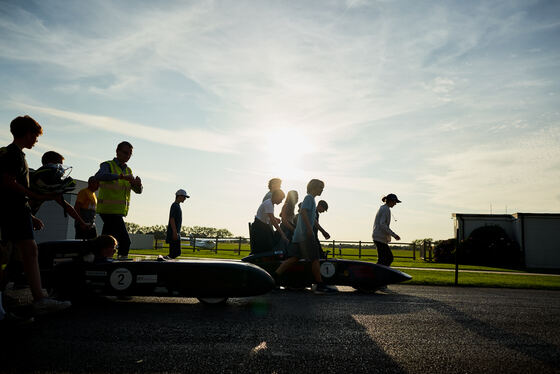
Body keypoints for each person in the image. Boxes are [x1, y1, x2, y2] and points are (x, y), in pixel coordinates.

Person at [0, 115, 71, 314]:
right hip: (13, 210)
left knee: (28, 252)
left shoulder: (13, 153)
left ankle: (39, 297)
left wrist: (30, 215)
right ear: (28, 133)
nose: (36, 140)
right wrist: (35, 194)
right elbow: (7, 182)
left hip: (16, 210)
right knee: (20, 253)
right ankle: (39, 298)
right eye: (35, 136)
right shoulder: (13, 154)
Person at [275, 179, 336, 294]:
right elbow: (303, 212)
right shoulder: (309, 198)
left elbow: (312, 219)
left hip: (300, 235)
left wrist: (322, 231)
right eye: (320, 187)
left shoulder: (311, 199)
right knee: (315, 258)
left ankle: (275, 277)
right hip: (305, 235)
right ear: (313, 187)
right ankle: (319, 285)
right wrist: (309, 230)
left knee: (295, 258)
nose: (322, 189)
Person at [95, 141, 142, 260]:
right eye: (125, 153)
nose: (127, 156)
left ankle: (100, 259)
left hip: (117, 211)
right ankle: (122, 261)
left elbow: (138, 191)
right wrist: (121, 177)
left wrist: (137, 185)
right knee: (125, 241)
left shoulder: (128, 170)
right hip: (108, 210)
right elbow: (100, 176)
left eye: (130, 154)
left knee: (106, 241)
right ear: (117, 151)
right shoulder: (108, 165)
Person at [28, 151, 91, 231]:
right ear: (50, 164)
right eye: (59, 165)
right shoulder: (31, 180)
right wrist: (32, 218)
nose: (62, 170)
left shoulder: (49, 185)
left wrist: (82, 223)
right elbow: (17, 204)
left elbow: (66, 206)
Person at [372, 193, 401, 267]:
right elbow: (382, 224)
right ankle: (378, 274)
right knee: (388, 258)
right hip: (380, 237)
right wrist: (394, 235)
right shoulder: (385, 209)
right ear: (391, 201)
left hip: (378, 237)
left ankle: (379, 274)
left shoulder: (384, 208)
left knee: (384, 259)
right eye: (395, 202)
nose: (395, 204)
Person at [165, 189, 189, 259]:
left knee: (176, 253)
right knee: (174, 253)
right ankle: (163, 261)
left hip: (176, 232)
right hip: (174, 232)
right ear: (179, 196)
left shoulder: (177, 205)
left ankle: (166, 261)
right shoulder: (174, 205)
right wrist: (175, 232)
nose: (185, 199)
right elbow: (172, 219)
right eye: (184, 197)